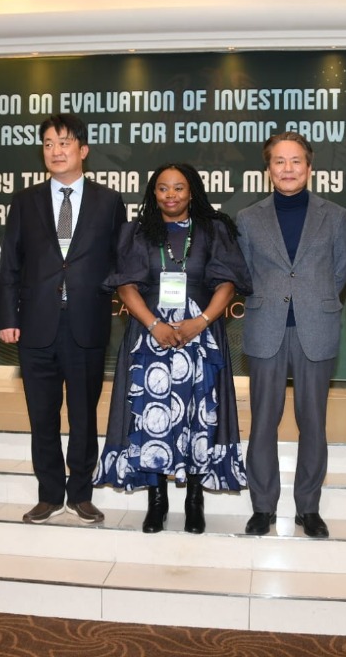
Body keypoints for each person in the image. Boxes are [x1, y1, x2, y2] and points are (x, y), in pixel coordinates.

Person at [94, 163, 252, 534]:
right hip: (150, 334)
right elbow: (125, 286)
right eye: (163, 188)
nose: (171, 195)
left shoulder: (214, 230)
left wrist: (201, 321)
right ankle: (157, 501)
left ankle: (195, 500)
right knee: (152, 414)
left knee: (199, 414)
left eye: (179, 188)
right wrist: (154, 325)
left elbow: (227, 284)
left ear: (192, 192)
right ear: (153, 193)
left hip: (201, 335)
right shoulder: (136, 232)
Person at [0, 113, 127, 525]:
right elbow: (10, 264)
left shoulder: (109, 201)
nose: (56, 151)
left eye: (64, 143)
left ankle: (81, 494)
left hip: (86, 323)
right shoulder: (25, 201)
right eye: (49, 144)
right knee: (42, 415)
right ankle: (50, 494)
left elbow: (120, 262)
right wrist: (7, 316)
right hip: (36, 324)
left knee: (84, 415)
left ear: (82, 150)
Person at [236, 132, 346, 538]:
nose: (288, 169)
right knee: (263, 421)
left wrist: (310, 299)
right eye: (279, 161)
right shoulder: (248, 218)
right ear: (268, 169)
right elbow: (244, 273)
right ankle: (262, 506)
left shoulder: (334, 216)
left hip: (315, 327)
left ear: (309, 166)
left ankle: (308, 507)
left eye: (296, 161)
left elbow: (340, 272)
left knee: (313, 422)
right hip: (266, 328)